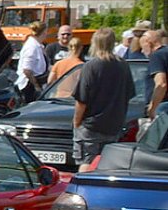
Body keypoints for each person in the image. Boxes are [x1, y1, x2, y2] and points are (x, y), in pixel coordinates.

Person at [72, 27, 135, 166]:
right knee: (107, 165)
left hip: (91, 126)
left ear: (95, 42)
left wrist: (76, 123)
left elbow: (82, 100)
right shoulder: (123, 65)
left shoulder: (91, 66)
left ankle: (84, 187)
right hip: (114, 126)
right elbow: (129, 94)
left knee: (86, 164)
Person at [15, 20, 49, 104]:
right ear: (43, 32)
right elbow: (27, 70)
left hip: (38, 82)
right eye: (46, 32)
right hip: (29, 85)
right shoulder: (31, 47)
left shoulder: (37, 45)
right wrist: (36, 86)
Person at [145, 29, 168, 122]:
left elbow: (161, 84)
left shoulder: (157, 56)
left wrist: (152, 108)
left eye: (142, 45)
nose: (142, 50)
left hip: (162, 107)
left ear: (149, 43)